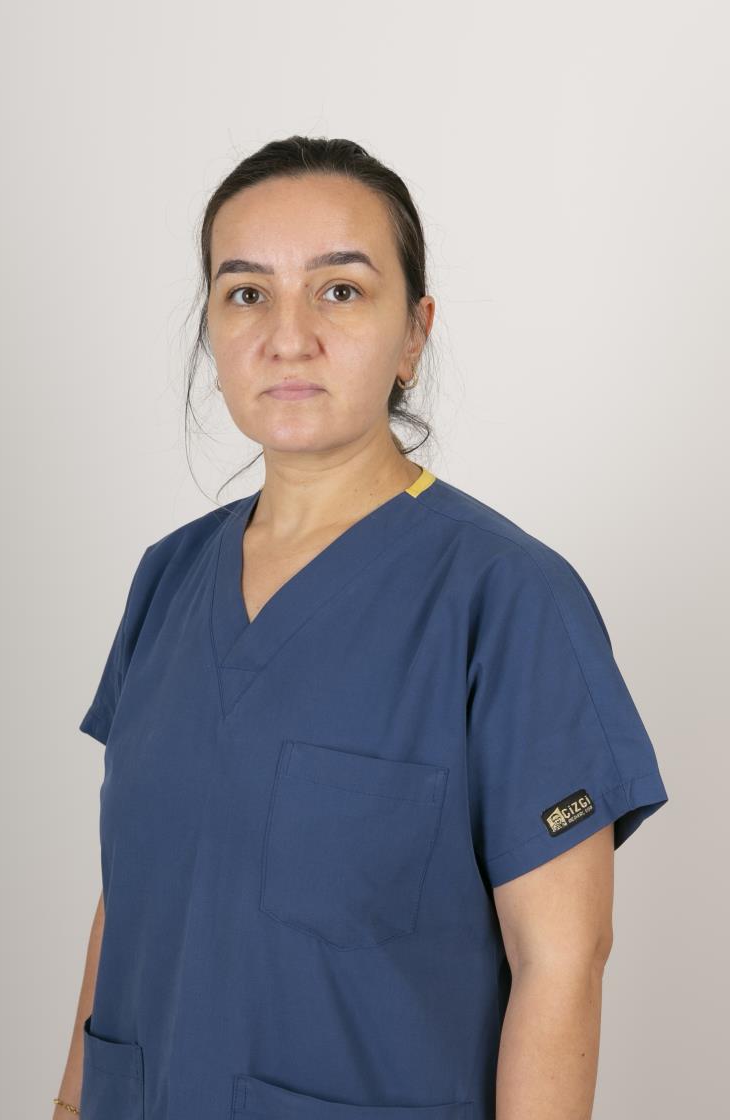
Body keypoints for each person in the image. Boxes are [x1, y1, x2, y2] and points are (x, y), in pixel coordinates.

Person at [54, 136, 669, 1120]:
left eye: (338, 290)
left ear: (413, 333)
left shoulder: (507, 599)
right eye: (245, 293)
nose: (286, 336)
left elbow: (561, 962)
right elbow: (130, 899)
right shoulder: (168, 579)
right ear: (211, 330)